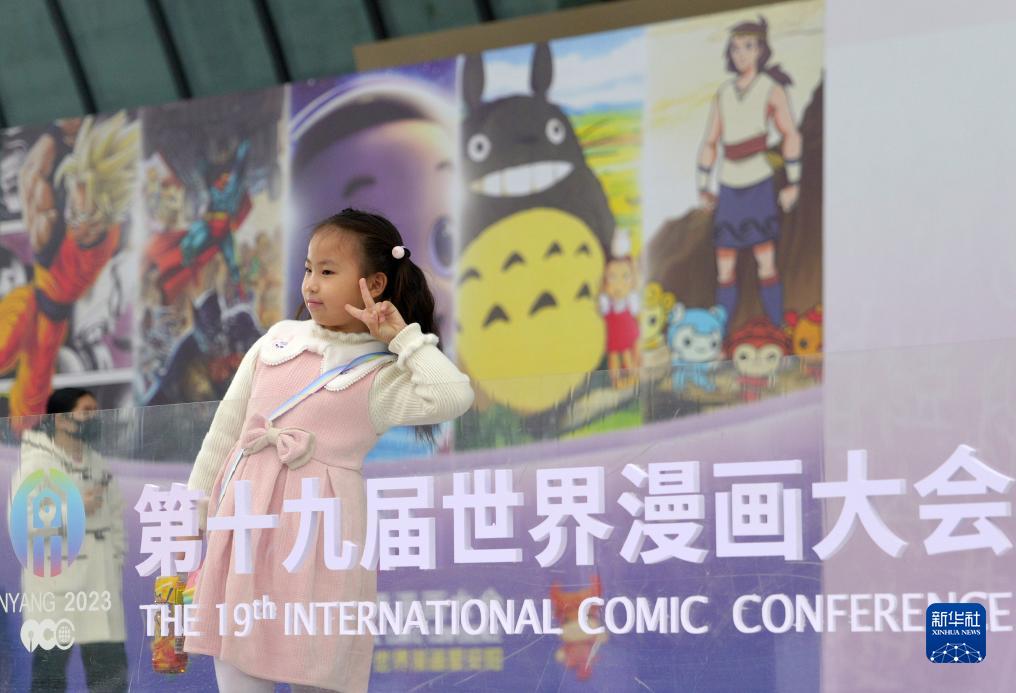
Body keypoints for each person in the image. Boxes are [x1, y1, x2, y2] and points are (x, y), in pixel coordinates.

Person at [183, 208, 474, 692]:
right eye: (308, 269)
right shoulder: (276, 341)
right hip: (247, 535)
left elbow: (453, 396)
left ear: (374, 283)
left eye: (328, 271)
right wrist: (192, 513)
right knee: (237, 668)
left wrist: (403, 338)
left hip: (321, 546)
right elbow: (224, 433)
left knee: (318, 670)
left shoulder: (380, 373)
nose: (311, 285)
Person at [12, 387, 128, 692]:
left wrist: (114, 561)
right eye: (86, 411)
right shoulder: (35, 464)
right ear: (61, 419)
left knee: (110, 676)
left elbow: (116, 521)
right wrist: (75, 508)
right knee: (49, 677)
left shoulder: (98, 463)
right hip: (56, 587)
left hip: (99, 587)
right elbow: (22, 521)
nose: (94, 417)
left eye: (96, 411)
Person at [696, 16, 802, 328]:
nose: (741, 54)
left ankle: (778, 329)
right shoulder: (723, 93)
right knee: (725, 267)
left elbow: (790, 134)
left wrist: (793, 181)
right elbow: (710, 141)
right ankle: (720, 335)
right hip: (729, 184)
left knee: (765, 261)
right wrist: (703, 184)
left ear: (760, 50)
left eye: (748, 46)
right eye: (735, 48)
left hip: (758, 181)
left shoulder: (771, 89)